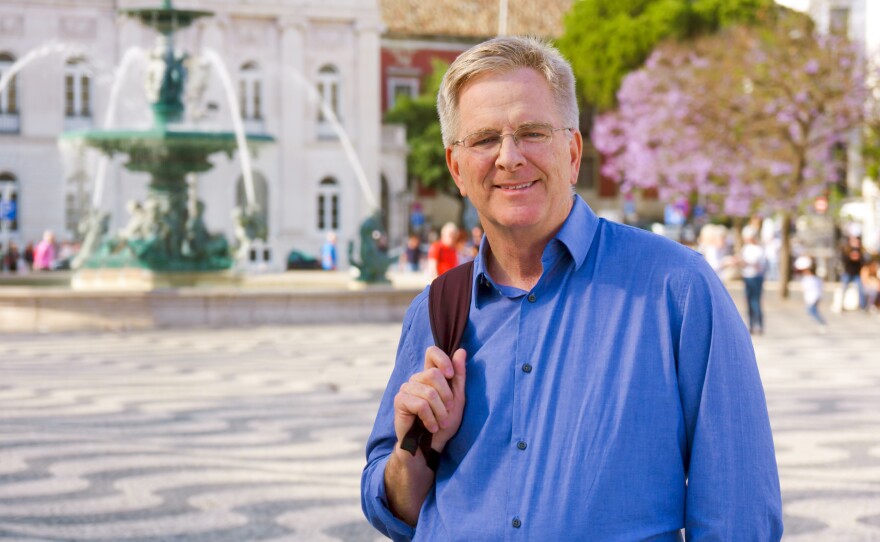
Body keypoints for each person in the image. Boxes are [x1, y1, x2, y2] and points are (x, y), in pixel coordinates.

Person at [362, 36, 782, 540]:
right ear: (456, 168)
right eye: (484, 139)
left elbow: (739, 513)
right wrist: (415, 450)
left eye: (532, 132)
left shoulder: (677, 290)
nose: (509, 157)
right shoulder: (436, 310)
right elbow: (396, 509)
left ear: (573, 150)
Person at [738, 225, 767, 335]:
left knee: (756, 302)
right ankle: (750, 324)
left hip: (756, 277)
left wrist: (742, 262)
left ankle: (759, 324)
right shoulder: (746, 247)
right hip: (747, 276)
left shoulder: (758, 249)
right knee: (748, 301)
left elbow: (754, 263)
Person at [795, 256, 827, 332]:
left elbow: (807, 288)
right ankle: (821, 323)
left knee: (811, 310)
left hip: (813, 296)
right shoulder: (812, 278)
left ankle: (821, 323)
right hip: (814, 296)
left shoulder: (810, 278)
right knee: (812, 310)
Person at [839, 235, 866, 311]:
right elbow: (843, 260)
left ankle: (862, 306)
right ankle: (841, 305)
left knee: (861, 289)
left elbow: (864, 262)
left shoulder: (861, 250)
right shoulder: (846, 250)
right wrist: (851, 257)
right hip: (847, 272)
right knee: (844, 288)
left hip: (857, 273)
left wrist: (858, 257)